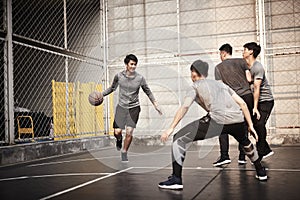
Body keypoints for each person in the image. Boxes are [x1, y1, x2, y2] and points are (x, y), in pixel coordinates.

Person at [158, 59, 267, 190]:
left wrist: (170, 129)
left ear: (193, 73)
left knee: (178, 139)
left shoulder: (195, 86)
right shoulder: (221, 85)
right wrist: (250, 125)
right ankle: (260, 171)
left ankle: (176, 179)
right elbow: (242, 104)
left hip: (218, 121)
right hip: (238, 120)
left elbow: (184, 107)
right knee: (245, 142)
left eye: (191, 73)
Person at [102, 54, 162, 162]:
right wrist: (101, 95)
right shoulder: (119, 76)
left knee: (129, 132)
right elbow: (112, 88)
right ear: (126, 64)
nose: (133, 66)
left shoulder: (140, 78)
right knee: (117, 132)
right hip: (121, 107)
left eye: (135, 64)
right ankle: (119, 140)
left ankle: (124, 151)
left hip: (134, 108)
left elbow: (148, 91)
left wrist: (155, 104)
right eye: (131, 64)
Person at [213, 43, 253, 166]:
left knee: (222, 126)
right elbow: (249, 78)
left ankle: (225, 156)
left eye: (220, 54)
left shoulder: (218, 67)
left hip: (232, 99)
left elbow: (220, 87)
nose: (220, 56)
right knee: (244, 126)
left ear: (223, 53)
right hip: (247, 96)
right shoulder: (242, 62)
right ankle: (242, 156)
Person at [242, 42, 274, 159]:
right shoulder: (248, 67)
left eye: (245, 49)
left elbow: (256, 88)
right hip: (257, 101)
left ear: (251, 52)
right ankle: (266, 150)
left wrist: (255, 108)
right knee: (254, 126)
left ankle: (261, 152)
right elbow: (249, 81)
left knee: (259, 124)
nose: (243, 51)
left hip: (265, 101)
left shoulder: (257, 67)